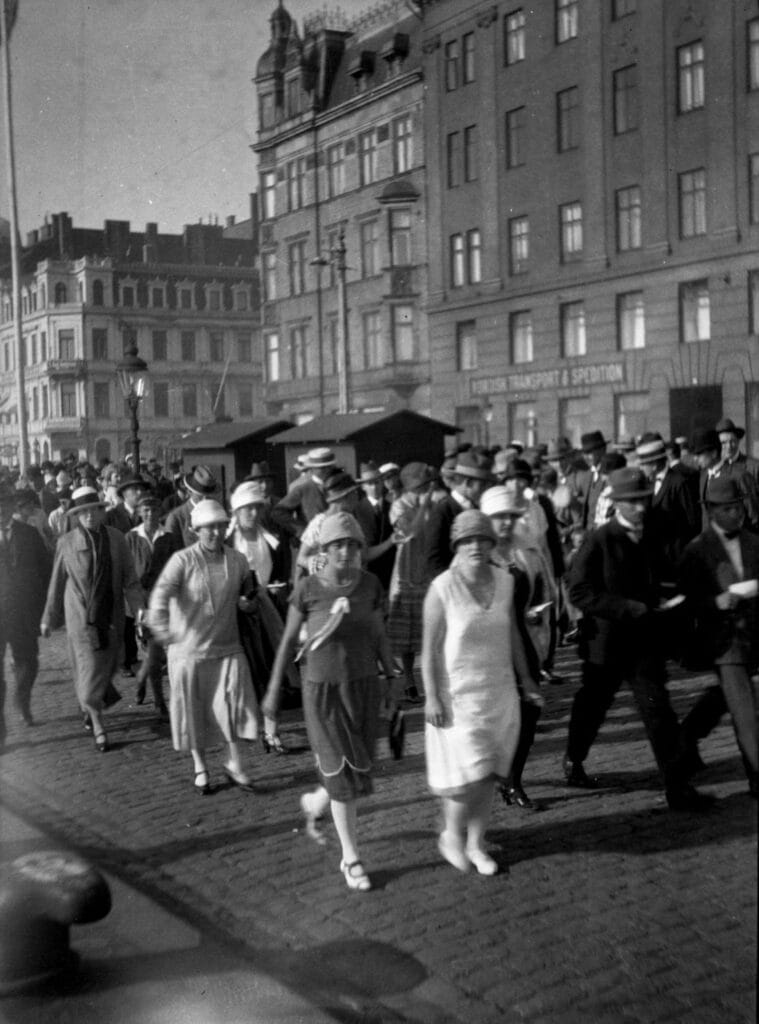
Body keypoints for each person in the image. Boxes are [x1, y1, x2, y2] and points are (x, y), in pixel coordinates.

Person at [262, 512, 398, 893]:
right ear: (324, 549)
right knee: (343, 778)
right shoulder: (307, 589)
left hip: (364, 688)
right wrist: (273, 690)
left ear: (359, 549)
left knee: (358, 767)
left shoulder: (370, 585)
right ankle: (351, 858)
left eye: (351, 545)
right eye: (336, 545)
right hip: (322, 693)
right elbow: (288, 641)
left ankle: (318, 800)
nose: (344, 551)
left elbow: (378, 634)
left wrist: (394, 675)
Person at [564, 468, 713, 811]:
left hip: (645, 644)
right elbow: (580, 591)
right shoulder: (600, 539)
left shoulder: (655, 535)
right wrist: (628, 607)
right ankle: (574, 758)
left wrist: (671, 596)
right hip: (607, 646)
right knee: (592, 707)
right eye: (631, 502)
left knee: (658, 710)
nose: (640, 507)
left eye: (643, 499)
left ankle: (677, 786)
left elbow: (666, 575)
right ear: (617, 504)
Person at [421, 510, 539, 875]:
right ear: (457, 545)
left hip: (498, 691)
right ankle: (452, 838)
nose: (475, 546)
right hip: (457, 695)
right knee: (465, 773)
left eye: (482, 539)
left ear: (491, 543)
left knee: (488, 771)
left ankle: (476, 843)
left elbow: (514, 635)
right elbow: (428, 649)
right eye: (467, 540)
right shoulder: (442, 588)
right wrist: (432, 696)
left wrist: (528, 680)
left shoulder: (505, 582)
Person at [147, 500, 260, 794]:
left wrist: (248, 604)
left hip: (227, 647)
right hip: (189, 651)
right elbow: (160, 598)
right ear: (196, 530)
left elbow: (250, 597)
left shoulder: (237, 560)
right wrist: (161, 630)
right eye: (208, 527)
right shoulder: (181, 561)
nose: (215, 532)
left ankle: (235, 764)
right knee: (193, 711)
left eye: (220, 526)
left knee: (234, 707)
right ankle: (201, 766)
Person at [40, 485, 145, 752]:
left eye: (93, 511)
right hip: (80, 617)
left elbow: (130, 580)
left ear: (101, 511)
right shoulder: (66, 543)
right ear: (76, 516)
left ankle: (90, 705)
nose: (88, 516)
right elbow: (56, 582)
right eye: (82, 512)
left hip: (111, 616)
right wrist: (48, 618)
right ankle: (98, 724)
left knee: (107, 668)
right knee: (88, 673)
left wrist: (139, 608)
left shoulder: (117, 539)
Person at [678, 477, 759, 797]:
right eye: (727, 508)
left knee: (726, 695)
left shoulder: (755, 542)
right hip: (722, 640)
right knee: (744, 707)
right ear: (711, 511)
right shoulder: (697, 551)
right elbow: (685, 601)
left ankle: (687, 734)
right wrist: (715, 602)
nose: (735, 514)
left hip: (754, 635)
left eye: (738, 506)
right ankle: (757, 775)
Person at [481, 487, 546, 811]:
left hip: (522, 635)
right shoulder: (477, 555)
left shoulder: (522, 550)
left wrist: (536, 611)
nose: (505, 524)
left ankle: (512, 780)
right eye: (498, 518)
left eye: (510, 517)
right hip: (490, 645)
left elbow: (537, 589)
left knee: (529, 710)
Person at [227, 479, 296, 754]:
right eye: (247, 509)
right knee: (243, 673)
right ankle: (243, 727)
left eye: (256, 508)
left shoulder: (273, 538)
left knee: (273, 669)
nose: (253, 514)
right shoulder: (228, 542)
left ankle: (271, 731)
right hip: (238, 616)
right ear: (236, 512)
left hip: (269, 614)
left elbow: (282, 572)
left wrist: (278, 587)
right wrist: (238, 600)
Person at [0, 485, 52, 746]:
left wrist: (45, 611)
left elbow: (46, 573)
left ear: (12, 507)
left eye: (4, 505)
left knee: (28, 663)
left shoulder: (29, 534)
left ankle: (22, 700)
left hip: (23, 613)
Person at [126, 493, 182, 720]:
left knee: (155, 653)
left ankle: (148, 688)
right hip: (140, 602)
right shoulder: (131, 538)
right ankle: (153, 693)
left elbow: (179, 566)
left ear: (160, 513)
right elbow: (127, 571)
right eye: (145, 511)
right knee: (153, 652)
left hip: (164, 601)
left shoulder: (169, 538)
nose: (150, 515)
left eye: (154, 510)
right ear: (139, 513)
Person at [386, 462, 435, 703]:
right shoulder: (399, 506)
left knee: (428, 630)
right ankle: (409, 680)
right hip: (406, 572)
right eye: (422, 486)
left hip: (427, 573)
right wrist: (425, 504)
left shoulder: (434, 504)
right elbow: (409, 532)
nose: (426, 490)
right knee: (407, 635)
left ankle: (430, 679)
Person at [424, 450, 493, 581]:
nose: (486, 489)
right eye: (482, 484)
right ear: (468, 483)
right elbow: (433, 561)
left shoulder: (479, 508)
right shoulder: (442, 511)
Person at [164, 465, 219, 548]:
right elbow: (171, 553)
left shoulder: (218, 513)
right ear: (189, 491)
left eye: (209, 495)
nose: (205, 499)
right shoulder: (176, 518)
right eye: (200, 495)